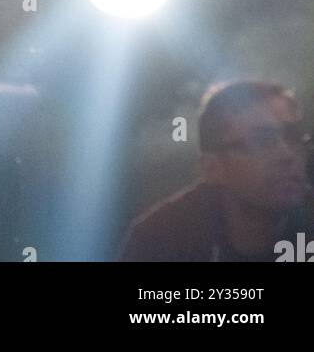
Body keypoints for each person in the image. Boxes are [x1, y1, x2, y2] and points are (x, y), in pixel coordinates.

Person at [119, 80, 314, 262]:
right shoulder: (160, 240)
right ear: (212, 168)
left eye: (293, 136)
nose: (286, 155)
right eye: (260, 141)